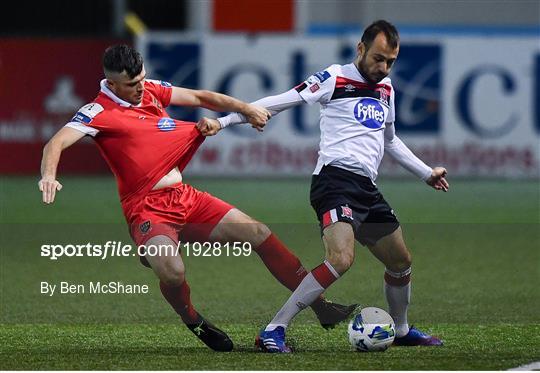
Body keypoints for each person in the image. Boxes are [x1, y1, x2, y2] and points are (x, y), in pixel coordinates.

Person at [38, 45, 357, 352]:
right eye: (132, 84)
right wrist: (49, 176)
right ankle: (192, 319)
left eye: (142, 78)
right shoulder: (97, 111)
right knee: (173, 272)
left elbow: (200, 97)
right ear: (111, 83)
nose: (140, 88)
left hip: (184, 198)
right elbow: (54, 144)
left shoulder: (150, 89)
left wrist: (245, 108)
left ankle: (320, 306)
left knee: (258, 233)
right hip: (147, 209)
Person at [199, 20, 448, 352]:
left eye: (390, 61)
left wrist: (425, 172)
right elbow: (280, 101)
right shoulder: (334, 78)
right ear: (360, 49)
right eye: (378, 58)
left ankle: (400, 330)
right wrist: (225, 120)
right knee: (342, 258)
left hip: (366, 190)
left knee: (401, 262)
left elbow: (389, 141)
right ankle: (273, 329)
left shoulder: (386, 88)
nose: (383, 67)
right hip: (333, 182)